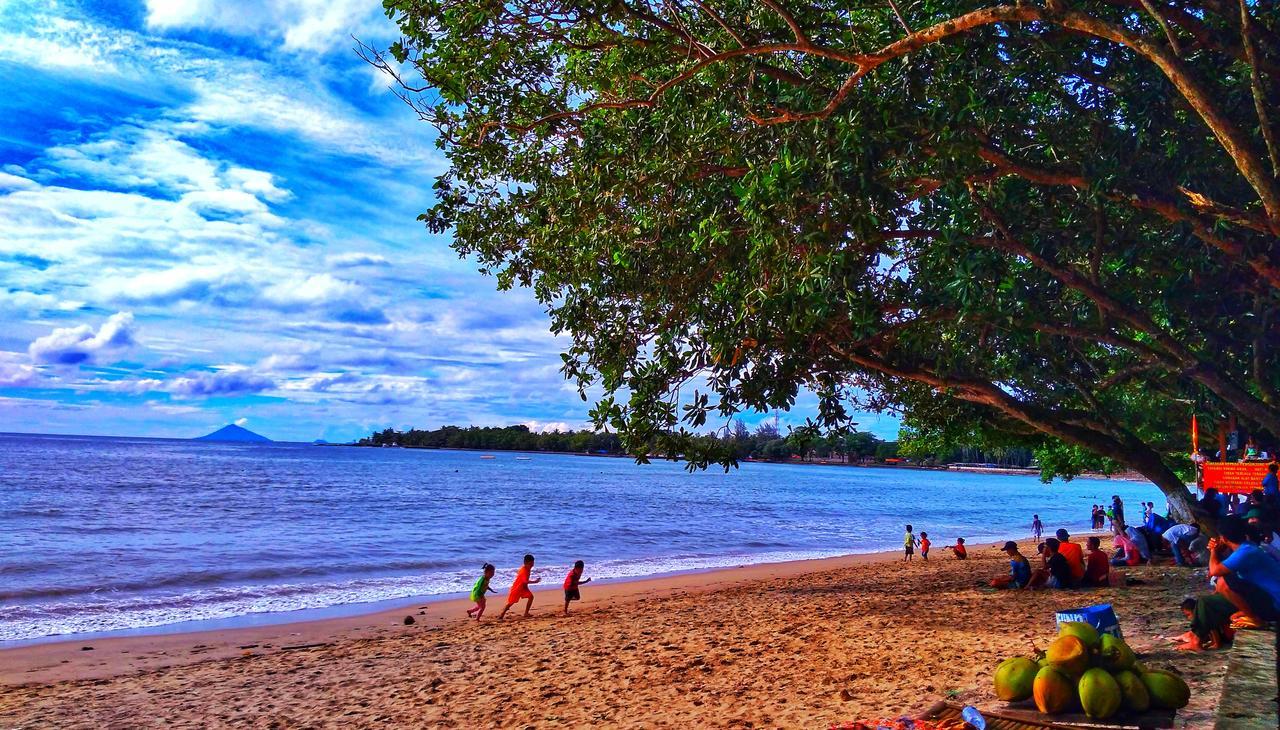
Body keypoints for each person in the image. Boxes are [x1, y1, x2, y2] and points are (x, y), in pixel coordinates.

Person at [1209, 516, 1280, 623]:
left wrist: (1213, 551)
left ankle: (1254, 618)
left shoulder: (1244, 553)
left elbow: (1214, 571)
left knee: (1223, 582)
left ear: (1224, 538)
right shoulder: (1248, 546)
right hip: (1271, 597)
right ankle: (1250, 612)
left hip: (1275, 605)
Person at [498, 553, 542, 619]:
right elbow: (525, 581)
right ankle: (502, 613)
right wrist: (535, 581)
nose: (532, 565)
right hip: (517, 587)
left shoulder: (528, 568)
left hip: (524, 587)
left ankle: (526, 613)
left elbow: (525, 581)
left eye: (532, 563)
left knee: (531, 597)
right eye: (530, 564)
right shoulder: (523, 570)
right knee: (511, 602)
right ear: (525, 563)